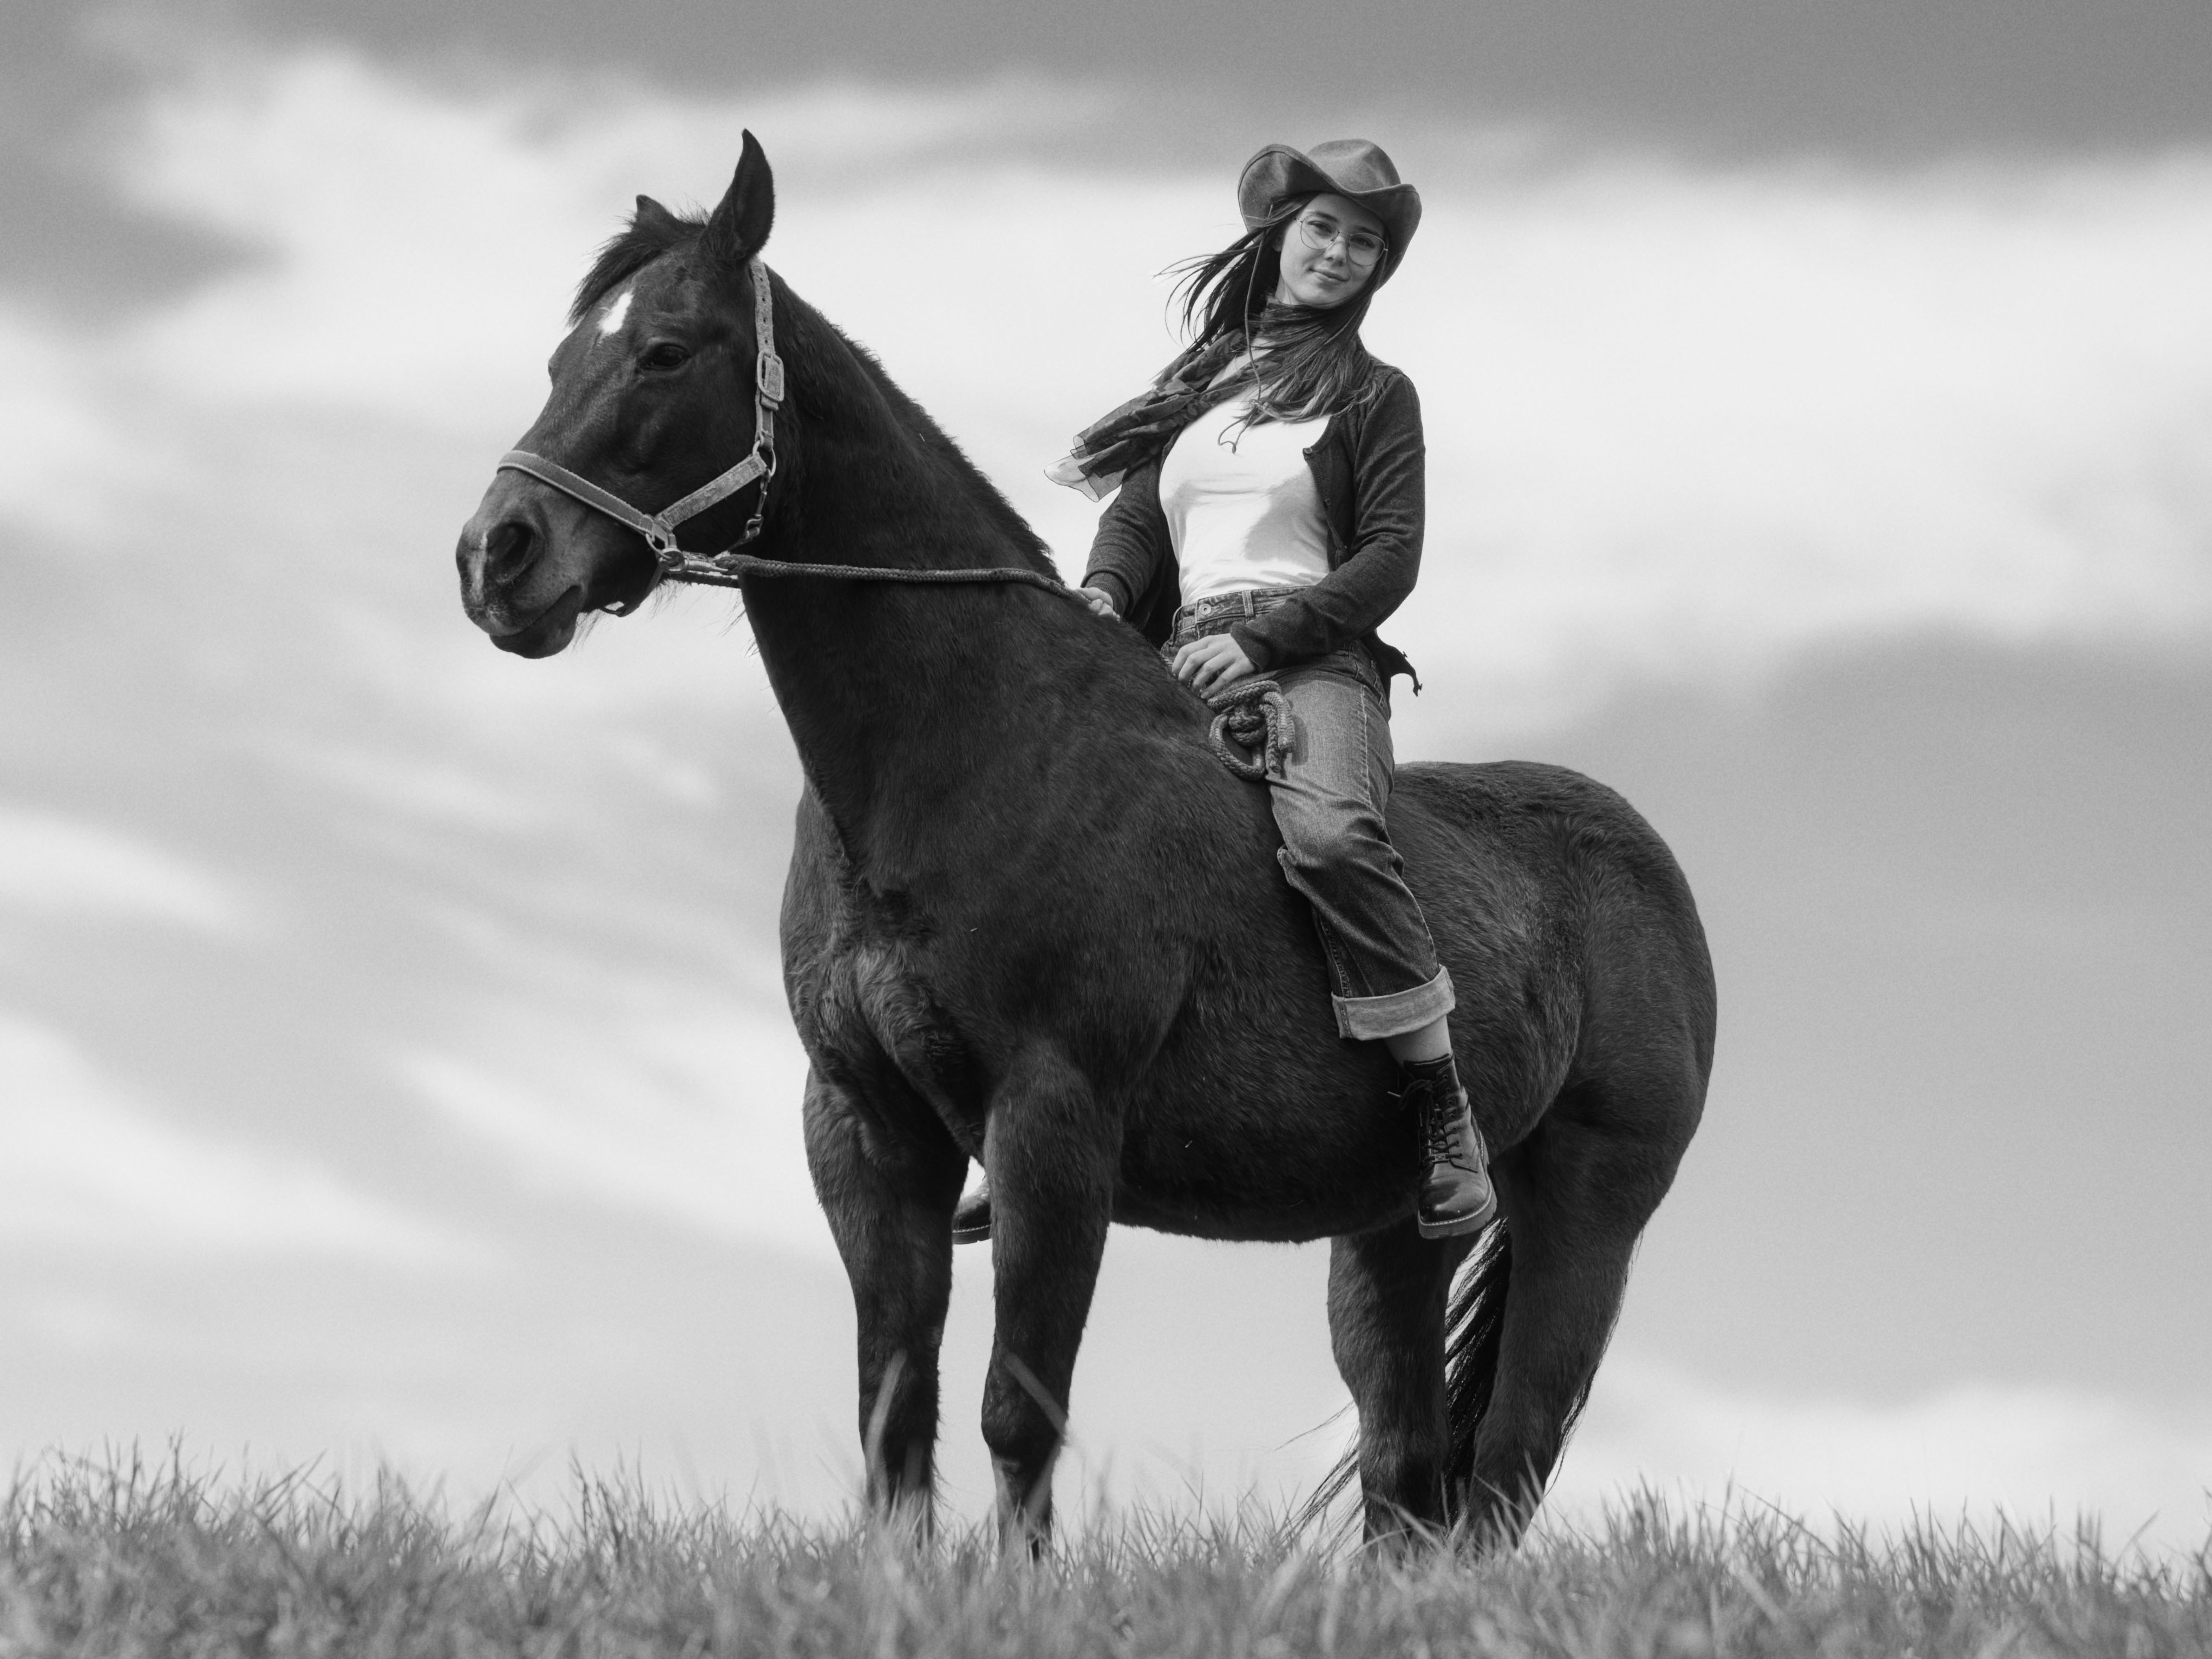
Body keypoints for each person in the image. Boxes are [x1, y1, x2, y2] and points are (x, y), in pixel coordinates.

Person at [954, 139, 1495, 1245]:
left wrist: (1261, 643)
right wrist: (1105, 595)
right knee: (1046, 826)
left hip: (1313, 656)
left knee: (1336, 838)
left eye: (1363, 242)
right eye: (1323, 230)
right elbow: (1142, 516)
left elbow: (1391, 557)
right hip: (1171, 656)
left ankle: (1443, 1112)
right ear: (1280, 237)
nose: (1339, 253)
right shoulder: (1203, 388)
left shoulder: (1381, 398)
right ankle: (1027, 1114)